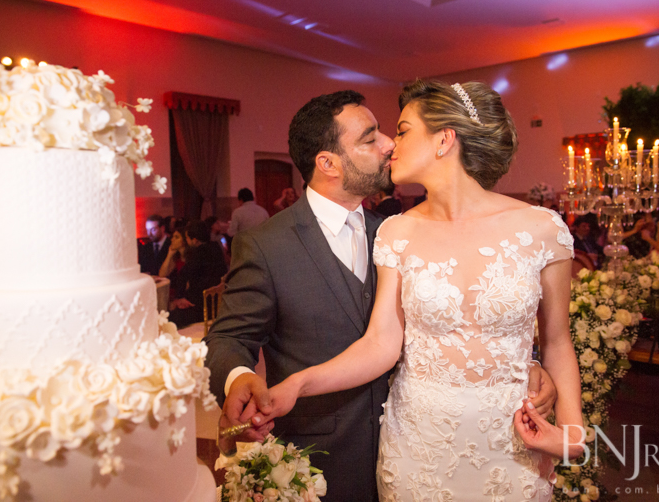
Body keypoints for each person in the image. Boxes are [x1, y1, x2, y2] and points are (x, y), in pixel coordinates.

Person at [205, 89, 558, 501]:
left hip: (419, 441)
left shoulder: (394, 230)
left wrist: (523, 367)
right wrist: (240, 377)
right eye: (370, 138)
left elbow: (463, 320)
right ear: (328, 163)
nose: (389, 143)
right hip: (323, 457)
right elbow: (229, 338)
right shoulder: (267, 245)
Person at [168, 219, 227, 328]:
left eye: (187, 238)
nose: (186, 241)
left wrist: (180, 298)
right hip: (219, 304)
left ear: (194, 240)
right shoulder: (216, 248)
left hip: (202, 307)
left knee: (169, 318)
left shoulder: (197, 254)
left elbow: (183, 276)